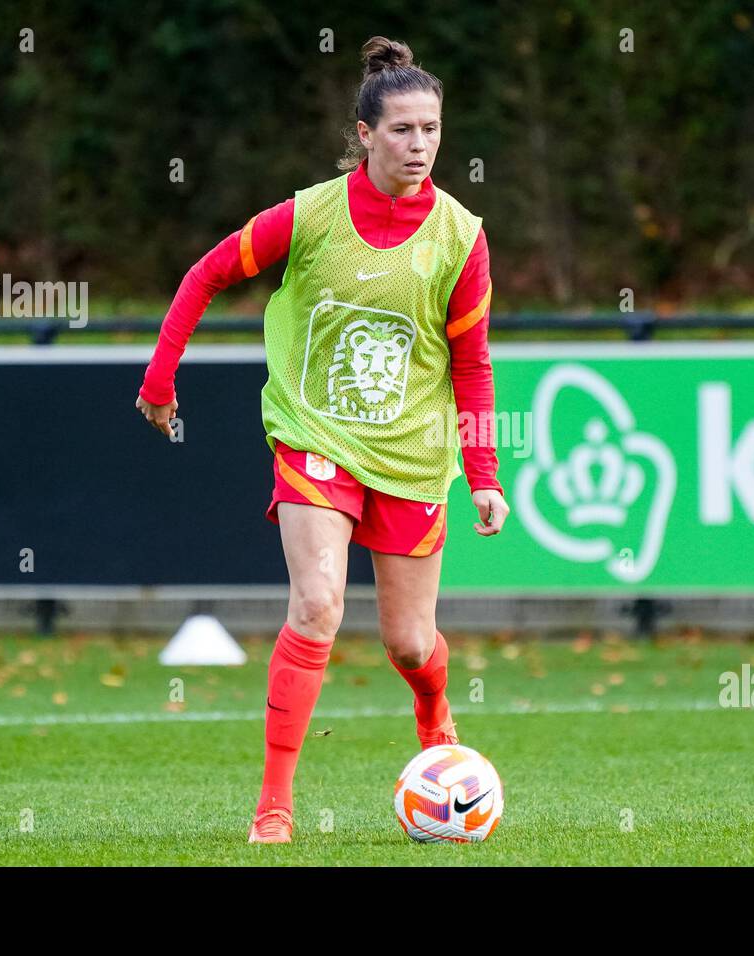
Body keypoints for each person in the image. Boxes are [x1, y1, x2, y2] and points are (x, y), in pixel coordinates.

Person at [134, 35, 510, 844]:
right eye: (403, 130)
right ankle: (275, 804)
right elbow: (206, 273)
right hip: (316, 434)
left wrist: (484, 472)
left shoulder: (460, 236)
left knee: (410, 643)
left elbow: (473, 365)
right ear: (366, 134)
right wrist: (160, 380)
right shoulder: (310, 215)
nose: (419, 146)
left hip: (412, 452)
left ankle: (434, 709)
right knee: (318, 606)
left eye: (432, 130)